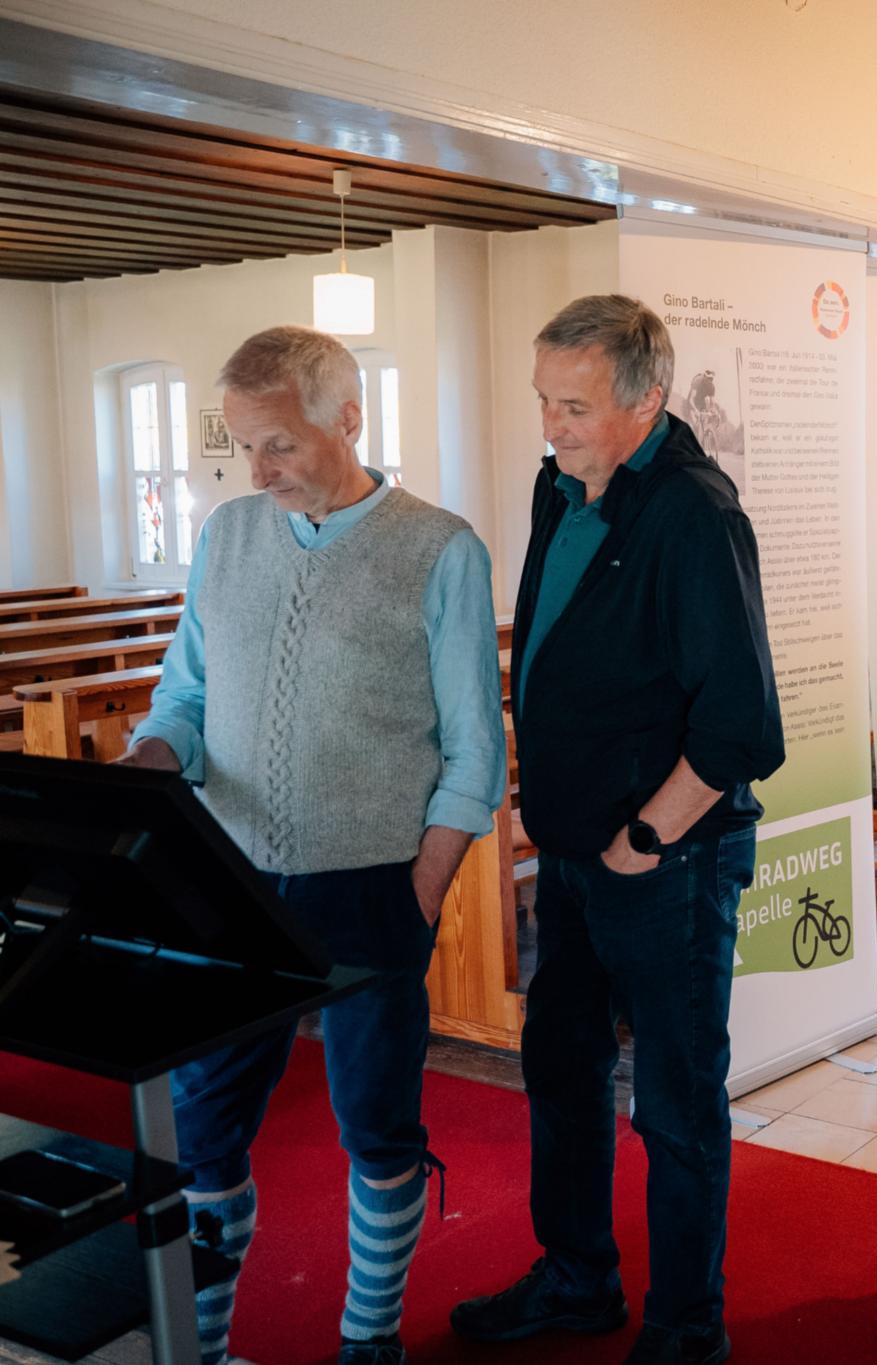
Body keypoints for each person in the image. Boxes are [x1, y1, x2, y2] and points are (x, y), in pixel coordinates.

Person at [120, 325, 506, 1365]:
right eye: (243, 447)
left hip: (373, 887)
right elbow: (187, 689)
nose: (259, 470)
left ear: (347, 416)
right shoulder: (229, 534)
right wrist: (157, 754)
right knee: (203, 1134)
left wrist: (422, 887)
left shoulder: (438, 547)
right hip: (231, 885)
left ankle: (366, 1339)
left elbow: (475, 747)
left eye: (279, 443)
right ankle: (198, 1346)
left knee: (376, 1128)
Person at [449, 295, 783, 1365]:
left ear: (645, 399)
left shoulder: (694, 513)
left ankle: (687, 1327)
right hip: (578, 860)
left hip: (666, 862)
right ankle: (580, 1278)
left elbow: (741, 726)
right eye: (544, 400)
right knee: (562, 1067)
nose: (551, 426)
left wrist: (643, 837)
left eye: (575, 406)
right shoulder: (564, 487)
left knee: (676, 1103)